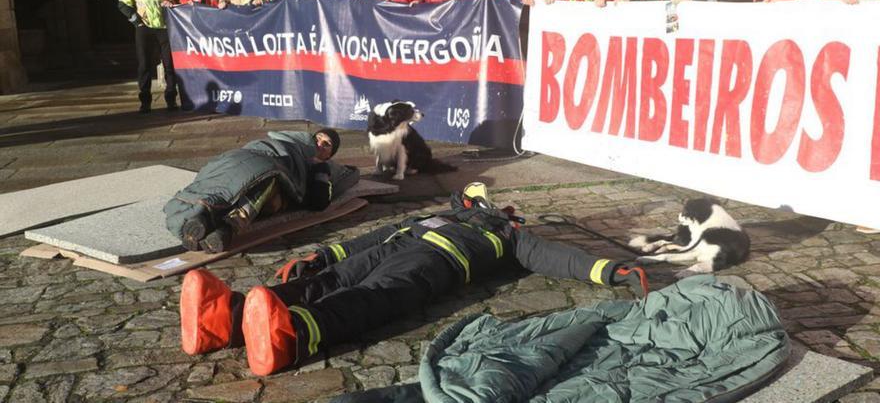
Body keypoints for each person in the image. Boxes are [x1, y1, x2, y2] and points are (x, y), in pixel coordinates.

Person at [178, 182, 650, 376]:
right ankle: (225, 317)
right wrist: (324, 254)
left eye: (480, 199)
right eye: (470, 197)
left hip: (431, 267)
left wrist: (609, 270)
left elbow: (555, 256)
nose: (473, 201)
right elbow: (379, 233)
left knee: (371, 297)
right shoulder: (437, 214)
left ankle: (293, 334)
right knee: (324, 280)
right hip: (394, 247)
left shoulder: (509, 234)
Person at [164, 129, 354, 254]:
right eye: (317, 138)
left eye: (327, 144)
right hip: (251, 155)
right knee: (228, 177)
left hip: (273, 179)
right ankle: (204, 217)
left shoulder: (322, 169)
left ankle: (223, 226)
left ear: (329, 156)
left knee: (265, 179)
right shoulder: (289, 143)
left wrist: (318, 170)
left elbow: (319, 202)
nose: (320, 143)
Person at [117, 0, 181, 113]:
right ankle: (145, 101)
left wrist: (172, 2)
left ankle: (171, 99)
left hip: (164, 27)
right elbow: (123, 3)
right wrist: (136, 21)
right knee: (144, 65)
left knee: (170, 65)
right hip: (143, 27)